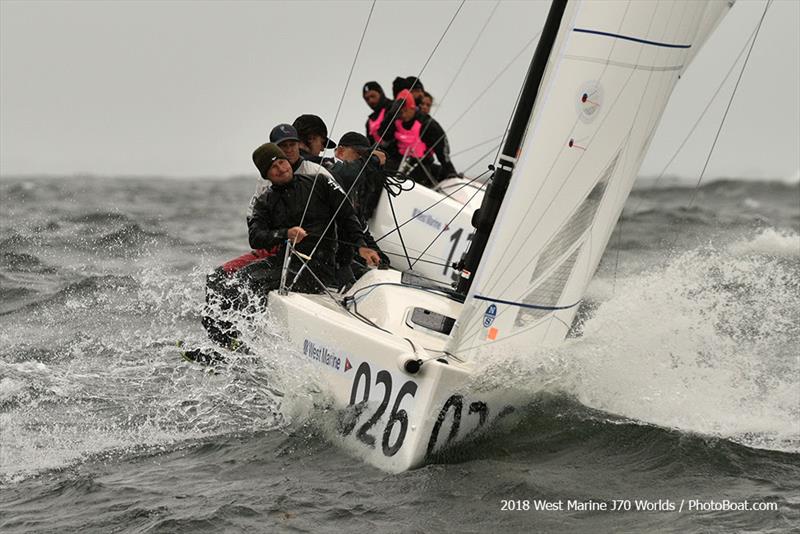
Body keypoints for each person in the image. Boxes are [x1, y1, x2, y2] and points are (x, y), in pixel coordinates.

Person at [202, 143, 380, 350]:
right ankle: (222, 343)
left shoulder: (320, 183)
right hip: (285, 263)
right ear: (266, 174)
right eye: (274, 167)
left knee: (249, 284)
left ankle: (245, 345)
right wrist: (285, 234)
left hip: (317, 269)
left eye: (282, 162)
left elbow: (348, 216)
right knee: (231, 282)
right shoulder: (265, 201)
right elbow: (256, 237)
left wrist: (361, 246)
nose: (281, 168)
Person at [246, 123, 338, 220]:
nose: (289, 149)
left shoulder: (317, 172)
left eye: (292, 145)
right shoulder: (265, 180)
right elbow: (252, 214)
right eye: (283, 146)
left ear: (298, 145)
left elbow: (340, 207)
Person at [387, 89, 457, 187]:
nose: (424, 107)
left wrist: (451, 172)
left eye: (428, 105)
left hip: (420, 168)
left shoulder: (429, 125)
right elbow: (382, 138)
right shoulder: (395, 121)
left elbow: (442, 152)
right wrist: (391, 114)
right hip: (397, 165)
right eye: (422, 104)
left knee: (433, 171)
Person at [325, 131, 387, 220]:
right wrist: (372, 161)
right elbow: (342, 175)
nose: (362, 160)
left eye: (365, 156)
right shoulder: (325, 165)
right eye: (359, 154)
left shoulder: (358, 182)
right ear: (340, 151)